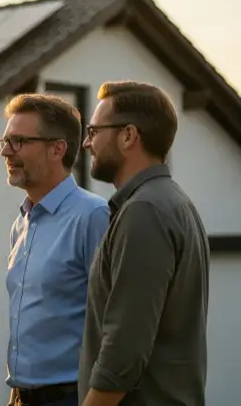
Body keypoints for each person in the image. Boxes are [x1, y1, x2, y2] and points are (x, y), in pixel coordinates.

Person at [78, 81, 210, 406]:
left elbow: (124, 350)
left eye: (94, 131)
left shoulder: (144, 212)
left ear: (128, 136)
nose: (86, 142)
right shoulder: (170, 203)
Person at [0, 94, 110, 406]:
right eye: (5, 141)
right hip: (20, 396)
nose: (6, 151)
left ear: (57, 148)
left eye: (18, 141)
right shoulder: (20, 224)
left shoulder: (93, 216)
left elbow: (113, 320)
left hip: (70, 396)